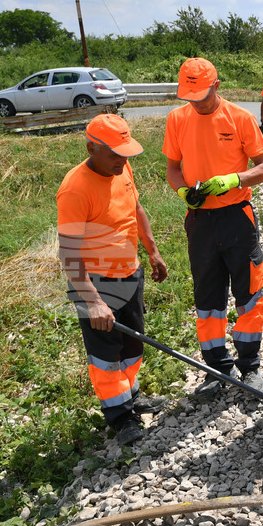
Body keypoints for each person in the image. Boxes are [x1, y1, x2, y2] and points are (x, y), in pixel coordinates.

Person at [163, 57, 263, 398]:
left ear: (216, 86)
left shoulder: (239, 118)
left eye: (202, 96)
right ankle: (216, 367)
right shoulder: (177, 119)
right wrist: (183, 191)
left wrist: (234, 179)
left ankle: (250, 365)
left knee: (248, 292)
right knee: (207, 297)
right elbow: (173, 168)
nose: (196, 103)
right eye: (190, 97)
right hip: (200, 222)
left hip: (236, 216)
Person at [57, 113, 169, 445]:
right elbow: (69, 253)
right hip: (96, 282)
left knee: (133, 343)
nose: (122, 160)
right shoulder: (75, 189)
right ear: (91, 148)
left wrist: (153, 251)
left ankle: (130, 397)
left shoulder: (122, 168)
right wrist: (93, 302)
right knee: (106, 354)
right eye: (114, 154)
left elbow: (135, 209)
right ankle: (120, 417)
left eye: (125, 153)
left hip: (129, 271)